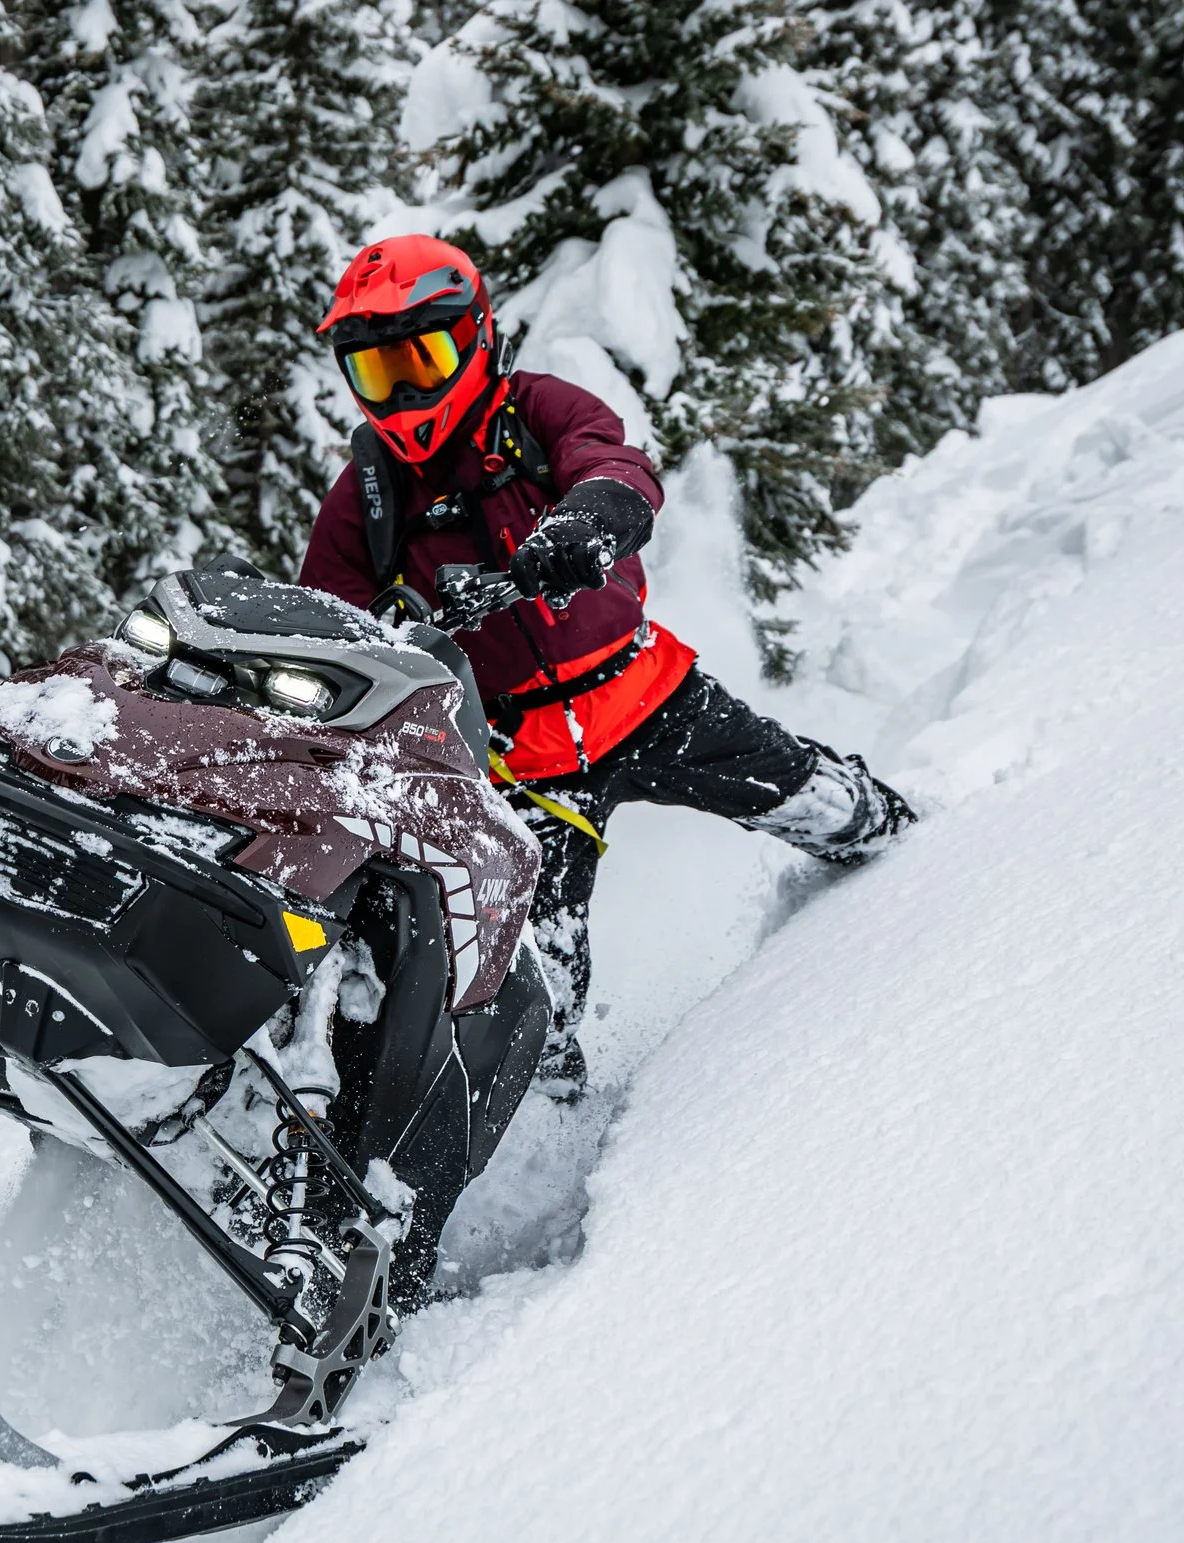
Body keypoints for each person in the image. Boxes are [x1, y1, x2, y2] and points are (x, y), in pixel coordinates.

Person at [297, 234, 916, 1099]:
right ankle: (552, 1144)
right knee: (531, 987)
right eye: (376, 373)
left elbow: (616, 464)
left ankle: (924, 853)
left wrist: (583, 526)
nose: (403, 392)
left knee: (808, 794)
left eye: (422, 359)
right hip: (522, 767)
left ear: (476, 337)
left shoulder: (537, 410)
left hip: (648, 696)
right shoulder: (366, 495)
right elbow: (324, 618)